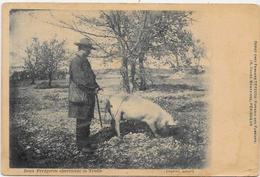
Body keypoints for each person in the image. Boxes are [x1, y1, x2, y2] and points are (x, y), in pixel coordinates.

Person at [68, 38, 101, 152]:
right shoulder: (76, 61)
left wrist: (96, 86)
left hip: (87, 95)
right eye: (88, 49)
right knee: (82, 121)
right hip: (80, 96)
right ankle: (82, 146)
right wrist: (92, 89)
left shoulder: (85, 60)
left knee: (87, 120)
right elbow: (80, 80)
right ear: (83, 48)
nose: (90, 51)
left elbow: (90, 76)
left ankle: (85, 143)